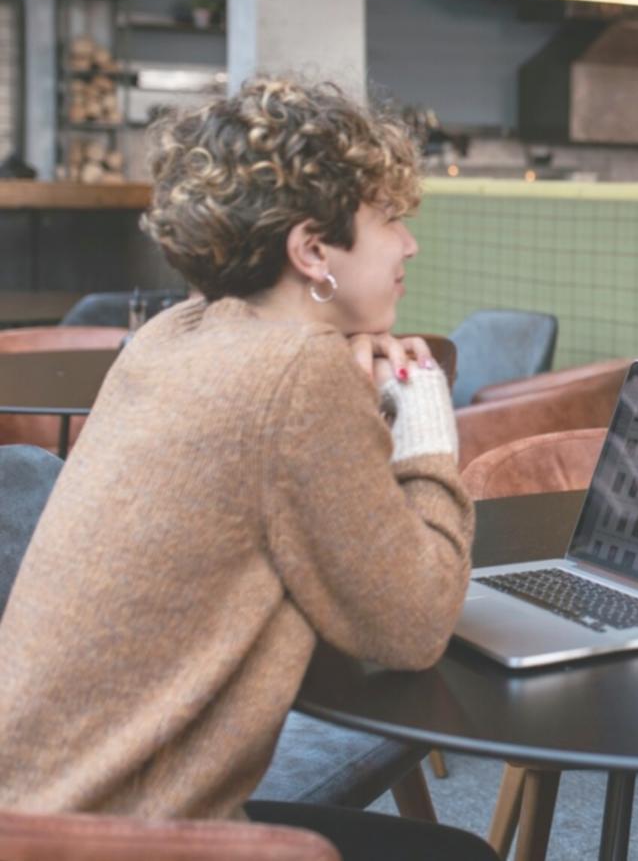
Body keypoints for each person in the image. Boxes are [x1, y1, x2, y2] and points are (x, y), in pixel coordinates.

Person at [0, 78, 496, 860]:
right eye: (389, 219)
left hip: (30, 819)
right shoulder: (294, 375)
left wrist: (351, 409)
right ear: (311, 251)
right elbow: (413, 626)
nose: (409, 244)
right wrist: (425, 421)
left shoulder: (176, 333)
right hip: (128, 842)